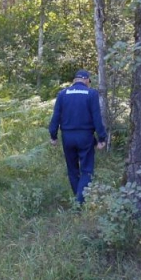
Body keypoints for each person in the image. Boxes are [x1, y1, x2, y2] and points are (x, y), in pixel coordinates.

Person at [48, 69, 107, 205]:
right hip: (85, 136)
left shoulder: (62, 94)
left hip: (67, 136)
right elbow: (97, 118)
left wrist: (53, 136)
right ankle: (80, 202)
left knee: (72, 170)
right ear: (86, 80)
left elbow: (55, 117)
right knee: (87, 169)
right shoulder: (91, 94)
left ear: (75, 80)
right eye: (89, 82)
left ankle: (78, 199)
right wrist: (102, 138)